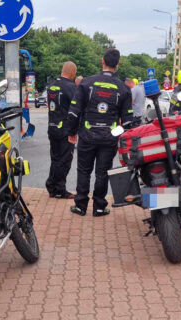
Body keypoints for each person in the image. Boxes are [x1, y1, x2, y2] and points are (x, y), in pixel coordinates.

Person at [65, 48, 133, 217]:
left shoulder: (86, 83)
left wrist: (72, 132)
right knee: (102, 172)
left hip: (87, 136)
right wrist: (116, 135)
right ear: (118, 64)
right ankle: (99, 207)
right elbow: (128, 122)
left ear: (102, 61)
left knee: (83, 171)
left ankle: (80, 206)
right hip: (109, 139)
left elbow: (74, 112)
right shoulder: (123, 89)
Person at [45, 61, 78, 199]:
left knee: (55, 159)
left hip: (52, 127)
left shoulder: (51, 87)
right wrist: (73, 132)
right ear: (72, 72)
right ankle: (60, 189)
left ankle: (51, 186)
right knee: (64, 160)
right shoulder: (71, 87)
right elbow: (75, 111)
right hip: (65, 129)